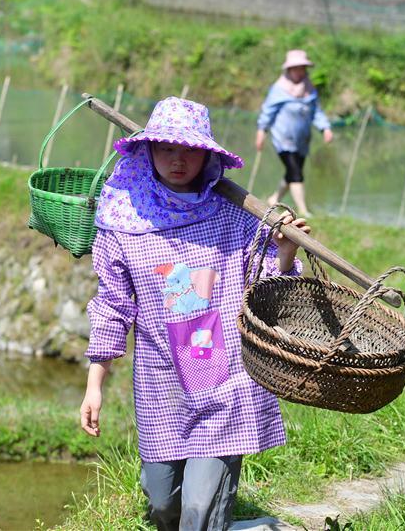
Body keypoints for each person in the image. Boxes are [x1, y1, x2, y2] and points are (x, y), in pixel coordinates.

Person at [79, 96, 311, 531]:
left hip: (226, 380)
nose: (178, 159)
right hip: (162, 382)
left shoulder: (235, 216)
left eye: (188, 149)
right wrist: (95, 386)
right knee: (164, 504)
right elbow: (112, 307)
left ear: (207, 154)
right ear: (147, 151)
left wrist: (284, 252)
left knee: (198, 514)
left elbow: (267, 292)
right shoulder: (123, 219)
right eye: (166, 148)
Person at [255, 49, 334, 218]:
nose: (300, 72)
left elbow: (316, 112)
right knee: (296, 173)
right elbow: (268, 112)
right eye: (296, 68)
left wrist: (325, 128)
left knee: (292, 172)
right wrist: (262, 131)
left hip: (301, 140)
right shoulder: (279, 89)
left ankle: (274, 198)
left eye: (302, 68)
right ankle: (303, 209)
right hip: (283, 139)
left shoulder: (309, 89)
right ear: (289, 70)